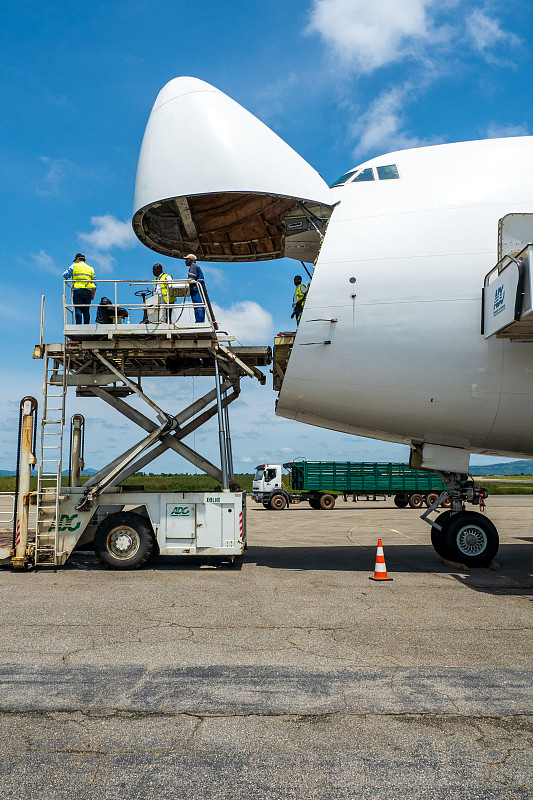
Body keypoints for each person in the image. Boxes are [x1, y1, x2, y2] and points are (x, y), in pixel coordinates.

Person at [63, 254, 96, 324]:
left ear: (77, 259)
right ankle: (86, 325)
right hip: (88, 291)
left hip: (78, 290)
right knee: (86, 309)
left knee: (78, 308)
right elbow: (95, 283)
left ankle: (79, 325)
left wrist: (69, 276)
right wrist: (93, 294)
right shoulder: (90, 268)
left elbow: (65, 275)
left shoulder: (74, 266)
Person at [185, 254, 206, 323]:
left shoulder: (193, 267)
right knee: (198, 306)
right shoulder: (195, 267)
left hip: (196, 290)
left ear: (191, 260)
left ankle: (199, 321)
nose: (185, 261)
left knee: (198, 306)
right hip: (197, 290)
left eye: (186, 259)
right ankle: (200, 321)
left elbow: (191, 280)